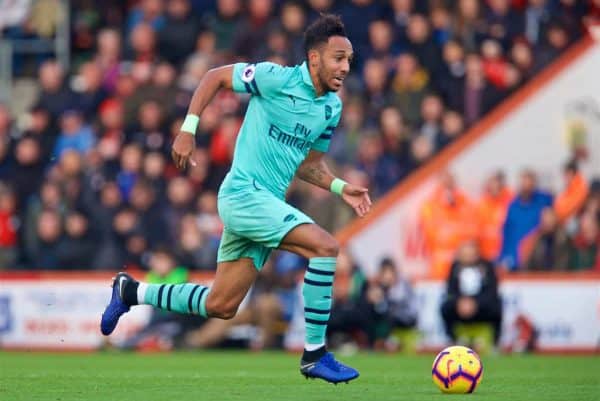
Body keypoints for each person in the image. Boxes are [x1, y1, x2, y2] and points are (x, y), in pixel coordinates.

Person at [100, 15, 371, 384]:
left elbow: (309, 166)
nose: (344, 67)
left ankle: (132, 291)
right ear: (314, 58)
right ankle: (314, 353)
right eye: (338, 57)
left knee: (221, 304)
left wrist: (341, 187)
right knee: (325, 248)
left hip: (266, 204)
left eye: (349, 60)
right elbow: (215, 76)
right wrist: (188, 129)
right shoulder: (275, 78)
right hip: (243, 194)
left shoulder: (330, 108)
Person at [440, 241, 502, 346]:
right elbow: (450, 290)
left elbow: (491, 291)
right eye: (464, 254)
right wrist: (460, 302)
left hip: (481, 306)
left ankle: (494, 342)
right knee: (445, 307)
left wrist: (475, 303)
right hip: (460, 306)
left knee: (497, 307)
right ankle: (453, 340)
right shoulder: (455, 267)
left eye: (470, 254)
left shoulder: (487, 266)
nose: (467, 257)